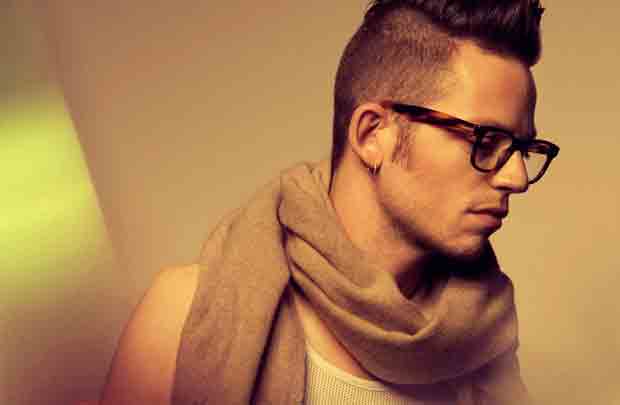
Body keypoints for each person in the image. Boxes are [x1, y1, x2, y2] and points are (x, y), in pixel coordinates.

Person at [101, 1, 559, 404]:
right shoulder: (185, 316)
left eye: (523, 149)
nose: (517, 177)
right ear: (372, 134)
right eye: (486, 141)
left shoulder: (481, 345)